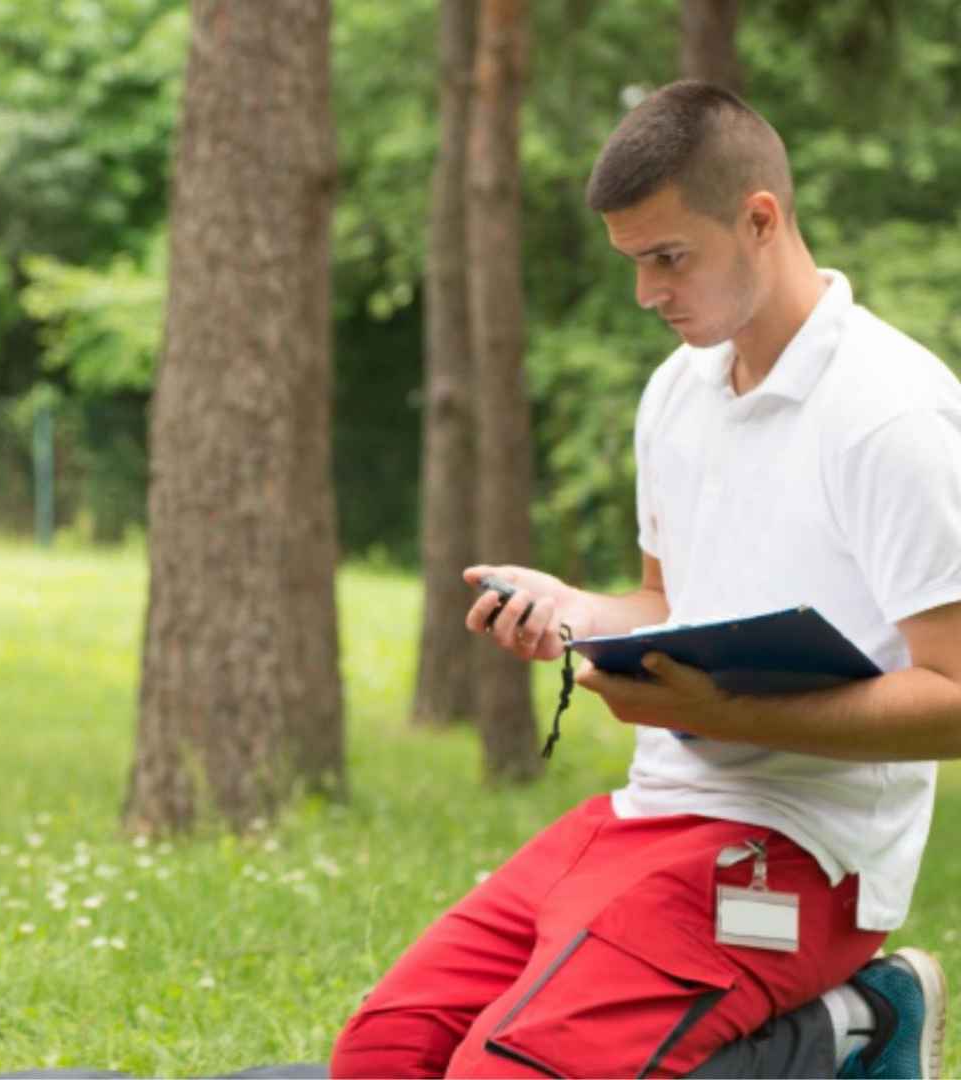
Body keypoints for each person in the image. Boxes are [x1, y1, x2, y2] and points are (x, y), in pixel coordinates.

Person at [330, 80, 961, 1079]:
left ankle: (845, 1033)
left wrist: (734, 714)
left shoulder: (894, 416)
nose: (647, 293)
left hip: (804, 852)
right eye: (634, 262)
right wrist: (572, 611)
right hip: (649, 815)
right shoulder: (678, 390)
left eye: (669, 258)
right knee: (385, 1055)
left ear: (760, 221)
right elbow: (668, 606)